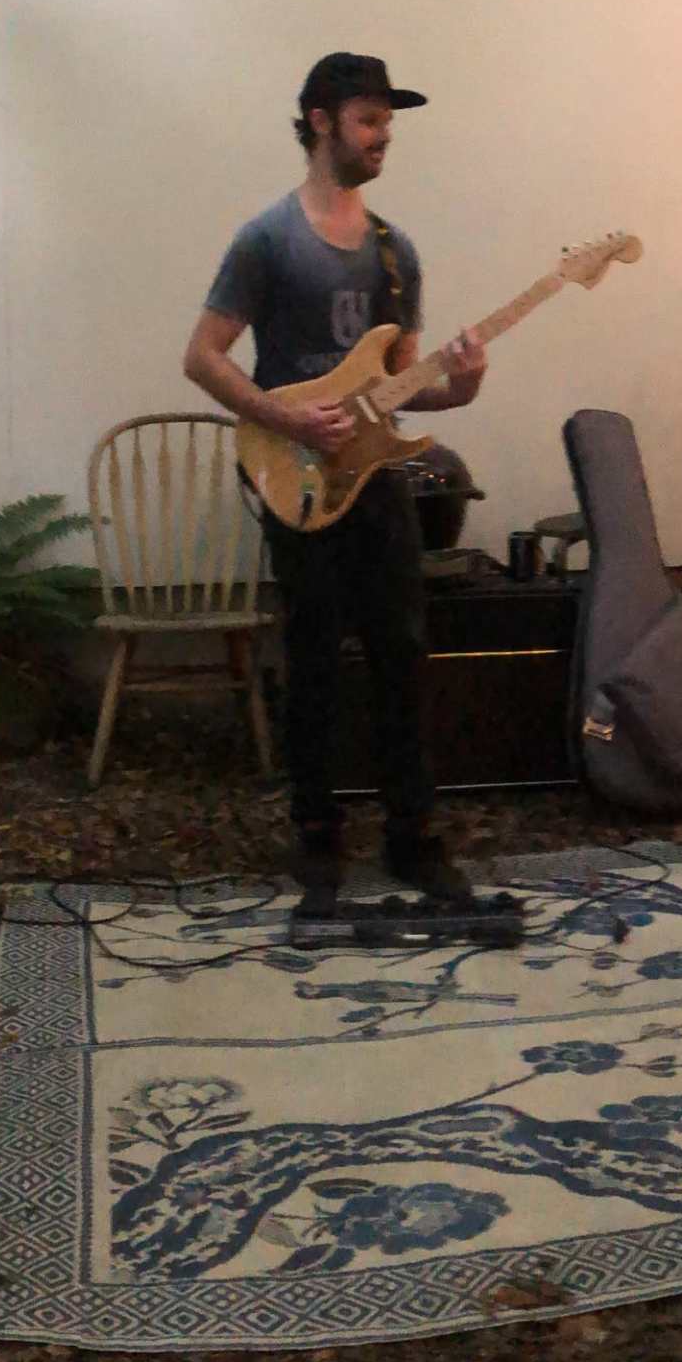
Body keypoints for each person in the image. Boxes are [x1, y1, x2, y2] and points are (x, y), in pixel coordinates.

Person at [182, 52, 489, 906]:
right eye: (369, 119)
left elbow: (405, 379)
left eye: (389, 122)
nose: (384, 135)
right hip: (297, 476)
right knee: (312, 655)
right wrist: (282, 417)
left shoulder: (397, 254)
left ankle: (413, 837)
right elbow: (202, 357)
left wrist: (462, 381)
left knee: (401, 650)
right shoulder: (267, 240)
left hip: (376, 477)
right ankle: (316, 835)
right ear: (320, 121)